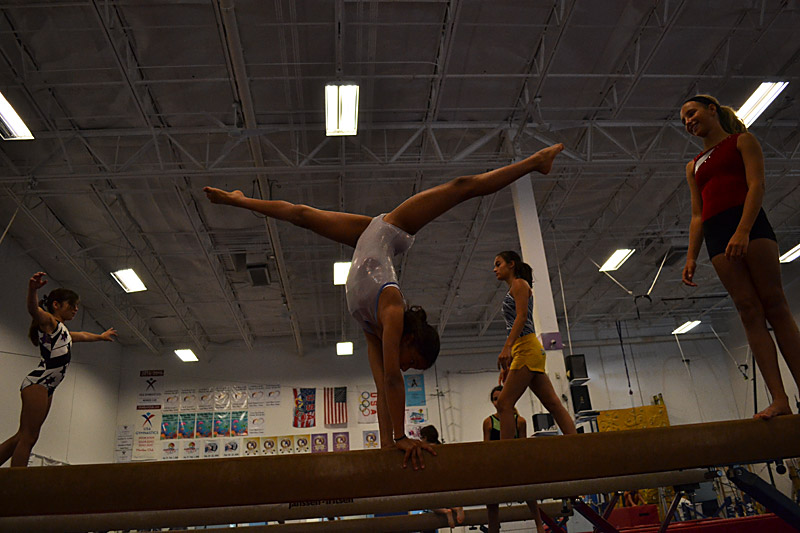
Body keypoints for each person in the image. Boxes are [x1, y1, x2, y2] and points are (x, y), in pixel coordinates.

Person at [204, 143, 564, 469]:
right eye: (412, 361)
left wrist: (389, 446)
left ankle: (239, 199)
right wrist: (401, 437)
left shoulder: (372, 327)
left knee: (301, 216)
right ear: (410, 339)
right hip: (392, 228)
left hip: (366, 236)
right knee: (461, 188)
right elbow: (393, 379)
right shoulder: (391, 309)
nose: (406, 367)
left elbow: (382, 386)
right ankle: (535, 161)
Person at [680, 94, 800, 419]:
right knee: (748, 311)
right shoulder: (693, 166)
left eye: (691, 114)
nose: (688, 122)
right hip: (717, 234)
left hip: (750, 225)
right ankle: (780, 399)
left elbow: (757, 185)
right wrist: (691, 257)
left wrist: (744, 230)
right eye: (684, 120)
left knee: (774, 305)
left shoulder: (742, 141)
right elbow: (696, 213)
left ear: (711, 110)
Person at [0, 272, 117, 467]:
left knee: (24, 436)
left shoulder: (64, 332)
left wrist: (101, 336)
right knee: (28, 438)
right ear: (56, 305)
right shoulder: (49, 323)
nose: (76, 309)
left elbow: (83, 335)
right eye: (72, 305)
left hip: (48, 387)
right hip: (39, 382)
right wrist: (32, 290)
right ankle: (17, 483)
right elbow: (33, 310)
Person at [492, 251, 576, 438]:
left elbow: (522, 317)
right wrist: (511, 356)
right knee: (553, 403)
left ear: (511, 264)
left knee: (504, 404)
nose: (494, 269)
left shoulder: (519, 284)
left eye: (498, 264)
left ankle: (505, 454)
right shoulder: (514, 287)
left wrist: (507, 347)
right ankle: (576, 442)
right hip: (525, 349)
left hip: (527, 348)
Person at [418, 425, 464, 531]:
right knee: (444, 499)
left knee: (427, 503)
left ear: (425, 438)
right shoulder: (443, 448)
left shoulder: (424, 450)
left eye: (421, 438)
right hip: (445, 481)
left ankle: (445, 511)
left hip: (432, 481)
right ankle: (456, 508)